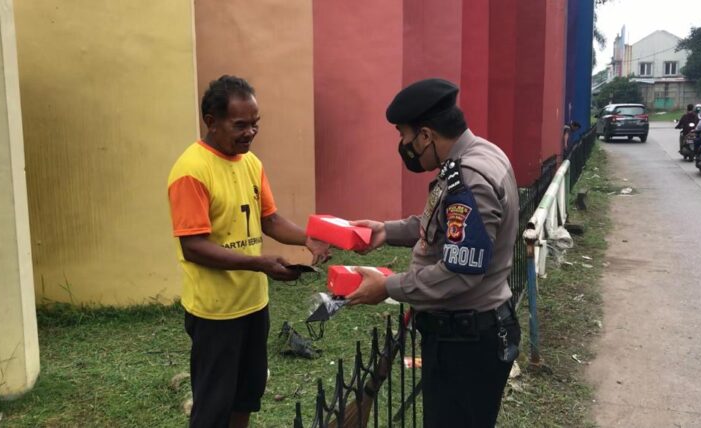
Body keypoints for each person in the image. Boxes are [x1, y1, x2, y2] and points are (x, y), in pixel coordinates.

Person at [346, 78, 521, 427]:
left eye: (403, 135)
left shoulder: (469, 177)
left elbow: (460, 271)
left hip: (465, 344)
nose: (403, 145)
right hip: (468, 334)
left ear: (425, 135)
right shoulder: (479, 154)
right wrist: (385, 231)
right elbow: (442, 226)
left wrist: (388, 287)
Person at [167, 75, 330, 428]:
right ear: (211, 122)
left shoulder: (251, 163)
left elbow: (269, 220)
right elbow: (193, 246)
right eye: (240, 125)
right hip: (215, 313)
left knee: (246, 396)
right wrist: (259, 263)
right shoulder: (191, 171)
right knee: (212, 407)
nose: (250, 132)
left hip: (254, 305)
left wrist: (308, 238)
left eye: (255, 124)